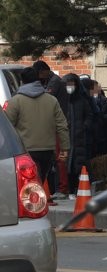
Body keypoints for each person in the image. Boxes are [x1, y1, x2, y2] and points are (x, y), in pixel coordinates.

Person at [6, 68, 69, 203]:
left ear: (22, 81)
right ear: (38, 80)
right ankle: (37, 206)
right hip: (47, 149)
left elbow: (7, 128)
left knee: (28, 184)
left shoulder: (16, 101)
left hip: (24, 150)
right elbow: (62, 125)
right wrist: (64, 148)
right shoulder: (52, 100)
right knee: (40, 180)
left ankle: (33, 209)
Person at [32, 61, 70, 200]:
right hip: (51, 126)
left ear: (43, 71)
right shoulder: (49, 81)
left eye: (38, 74)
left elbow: (44, 97)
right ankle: (57, 188)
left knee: (59, 158)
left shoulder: (54, 83)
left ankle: (63, 188)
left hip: (56, 126)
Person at [62, 74, 96, 197]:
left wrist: (84, 126)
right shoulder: (62, 100)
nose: (70, 87)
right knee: (67, 165)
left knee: (79, 165)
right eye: (68, 84)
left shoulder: (82, 100)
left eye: (72, 84)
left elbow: (89, 115)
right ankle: (69, 190)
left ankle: (77, 188)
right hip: (66, 137)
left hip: (80, 137)